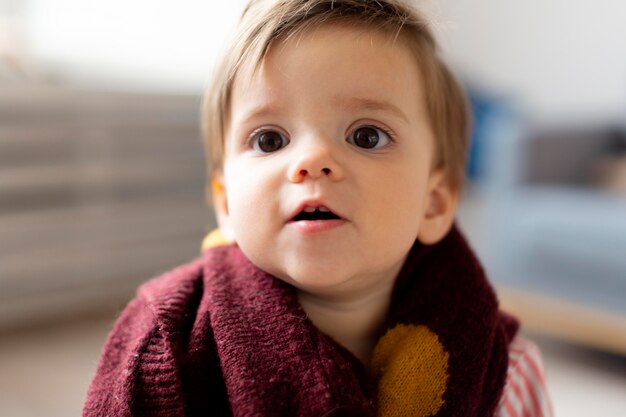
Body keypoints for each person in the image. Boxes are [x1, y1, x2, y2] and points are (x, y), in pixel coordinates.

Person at [84, 1, 553, 416]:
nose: (312, 161)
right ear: (226, 203)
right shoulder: (168, 344)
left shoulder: (505, 369)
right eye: (270, 140)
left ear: (433, 203)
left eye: (366, 136)